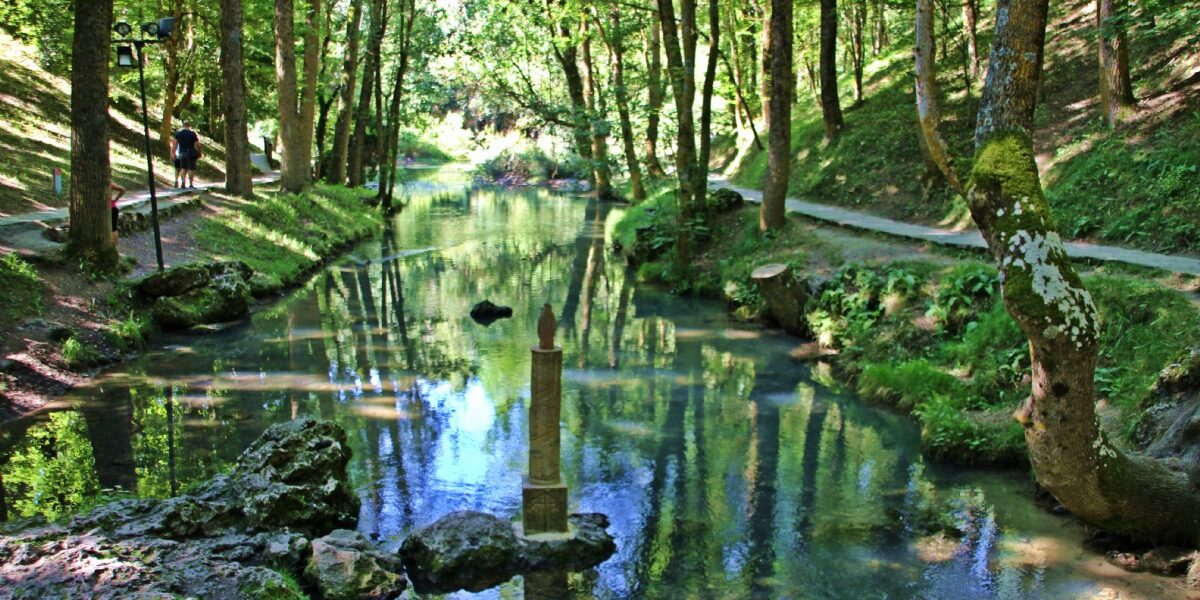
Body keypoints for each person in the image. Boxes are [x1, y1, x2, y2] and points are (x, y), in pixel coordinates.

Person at [170, 121, 201, 189]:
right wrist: (199, 152)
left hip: (182, 153)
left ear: (183, 125)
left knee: (183, 168)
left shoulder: (179, 134)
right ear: (189, 125)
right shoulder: (192, 134)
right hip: (190, 152)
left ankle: (183, 182)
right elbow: (197, 144)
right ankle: (190, 184)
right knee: (191, 168)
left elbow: (175, 144)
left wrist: (173, 153)